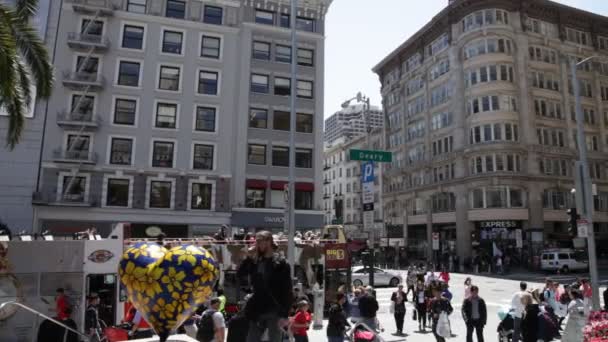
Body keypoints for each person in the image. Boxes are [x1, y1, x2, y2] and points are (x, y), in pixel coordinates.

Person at [237, 231, 293, 342]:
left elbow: (287, 290)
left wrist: (285, 315)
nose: (256, 245)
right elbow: (240, 275)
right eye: (256, 242)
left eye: (259, 242)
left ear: (268, 242)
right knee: (251, 339)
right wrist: (248, 257)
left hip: (274, 309)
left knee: (274, 339)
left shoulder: (280, 263)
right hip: (257, 308)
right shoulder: (255, 261)